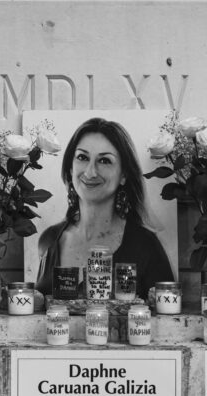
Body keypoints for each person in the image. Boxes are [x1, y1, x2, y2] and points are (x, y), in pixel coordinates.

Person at [37, 117, 174, 300]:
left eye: (104, 161)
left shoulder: (146, 246)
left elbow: (167, 314)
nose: (90, 172)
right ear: (70, 168)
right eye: (82, 157)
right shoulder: (49, 240)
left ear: (123, 175)